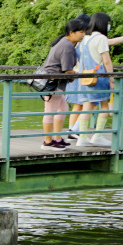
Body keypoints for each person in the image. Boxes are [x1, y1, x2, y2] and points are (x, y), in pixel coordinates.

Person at [66, 12, 123, 147]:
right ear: (103, 24)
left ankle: (82, 137)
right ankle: (97, 136)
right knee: (105, 107)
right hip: (99, 78)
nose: (109, 26)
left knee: (87, 108)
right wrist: (111, 79)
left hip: (85, 78)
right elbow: (107, 61)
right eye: (108, 23)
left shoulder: (85, 38)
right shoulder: (101, 38)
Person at [38, 17, 87, 149]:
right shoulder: (67, 46)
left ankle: (57, 138)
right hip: (53, 83)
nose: (83, 35)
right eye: (81, 32)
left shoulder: (64, 43)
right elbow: (67, 70)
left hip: (55, 83)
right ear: (72, 32)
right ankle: (47, 142)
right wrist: (76, 76)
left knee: (63, 109)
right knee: (50, 111)